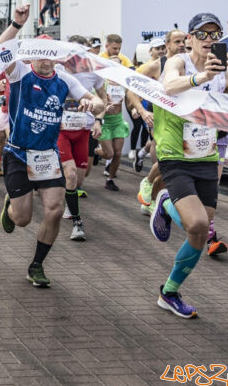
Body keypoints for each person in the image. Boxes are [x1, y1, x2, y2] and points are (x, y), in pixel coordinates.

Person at [0, 6, 102, 287]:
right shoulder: (19, 72)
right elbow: (1, 50)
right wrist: (16, 24)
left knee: (54, 209)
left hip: (47, 156)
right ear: (32, 55)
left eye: (52, 55)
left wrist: (92, 103)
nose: (47, 60)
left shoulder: (64, 79)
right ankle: (10, 206)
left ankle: (37, 265)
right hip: (18, 152)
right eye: (42, 54)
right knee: (22, 219)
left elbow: (98, 101)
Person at [148, 13, 228, 318]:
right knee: (199, 223)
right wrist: (202, 78)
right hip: (174, 152)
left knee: (200, 237)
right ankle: (164, 202)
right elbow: (169, 86)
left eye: (214, 35)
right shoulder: (179, 62)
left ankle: (169, 292)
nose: (208, 40)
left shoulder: (226, 70)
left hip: (205, 155)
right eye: (201, 35)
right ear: (189, 39)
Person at [127, 29, 187, 216]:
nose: (182, 45)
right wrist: (142, 110)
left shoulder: (189, 63)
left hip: (183, 121)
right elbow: (131, 89)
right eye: (177, 42)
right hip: (160, 120)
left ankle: (150, 200)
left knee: (172, 166)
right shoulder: (155, 66)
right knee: (166, 160)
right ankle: (147, 183)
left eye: (184, 41)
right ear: (168, 45)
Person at [56, 35, 105, 240]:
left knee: (80, 177)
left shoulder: (93, 72)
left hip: (83, 128)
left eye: (81, 53)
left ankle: (67, 196)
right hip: (61, 130)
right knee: (71, 173)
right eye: (73, 52)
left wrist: (97, 120)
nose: (77, 57)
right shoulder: (56, 70)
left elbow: (102, 100)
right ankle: (77, 222)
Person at [96, 34, 132, 190]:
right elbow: (96, 102)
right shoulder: (101, 82)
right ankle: (96, 150)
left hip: (117, 121)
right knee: (109, 154)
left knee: (117, 153)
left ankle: (110, 179)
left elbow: (130, 101)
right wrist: (105, 108)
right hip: (105, 122)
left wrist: (136, 110)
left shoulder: (124, 83)